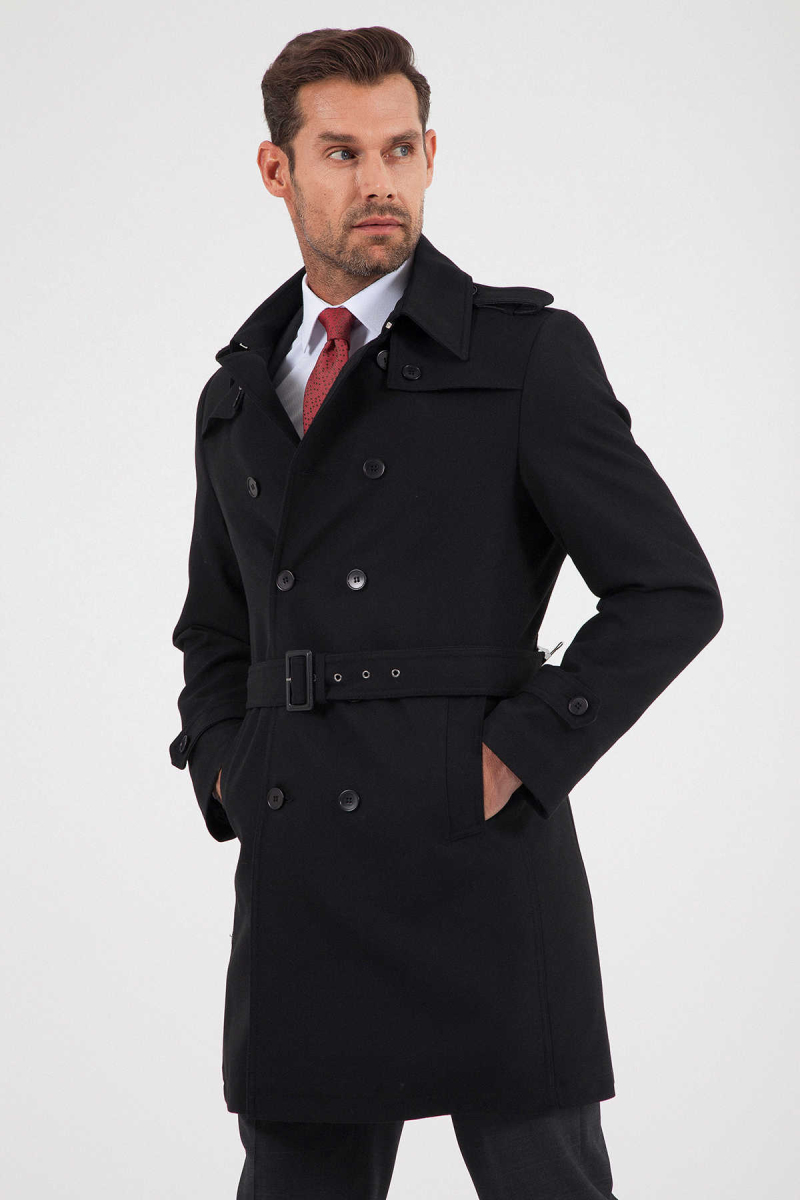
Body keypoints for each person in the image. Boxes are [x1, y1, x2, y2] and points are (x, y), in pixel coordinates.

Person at [169, 25, 723, 1200]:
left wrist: (513, 756)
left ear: (429, 155)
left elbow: (670, 590)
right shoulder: (236, 390)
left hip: (478, 863)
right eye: (341, 152)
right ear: (276, 169)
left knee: (543, 1181)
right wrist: (228, 769)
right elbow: (214, 631)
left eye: (400, 148)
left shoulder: (523, 356)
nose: (378, 179)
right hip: (303, 871)